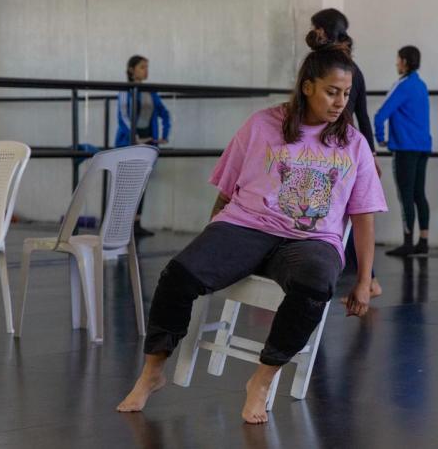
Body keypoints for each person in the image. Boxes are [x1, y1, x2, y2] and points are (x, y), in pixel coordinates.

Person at [116, 44, 387, 424]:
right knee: (178, 274)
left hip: (311, 241)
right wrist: (211, 241)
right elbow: (226, 191)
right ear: (307, 86)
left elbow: (363, 216)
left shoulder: (353, 145)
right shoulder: (262, 124)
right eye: (332, 91)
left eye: (347, 93)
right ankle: (152, 372)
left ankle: (261, 379)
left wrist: (363, 280)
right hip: (245, 225)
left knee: (315, 284)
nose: (341, 102)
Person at [307, 8, 383, 297]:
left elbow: (361, 115)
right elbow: (364, 115)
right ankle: (369, 278)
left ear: (323, 31)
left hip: (335, 148)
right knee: (346, 215)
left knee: (340, 214)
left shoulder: (336, 69)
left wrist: (369, 156)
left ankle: (368, 278)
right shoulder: (346, 67)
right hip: (335, 147)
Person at [374, 45, 431, 256]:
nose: (396, 63)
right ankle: (423, 241)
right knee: (419, 194)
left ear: (405, 62)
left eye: (398, 60)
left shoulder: (403, 85)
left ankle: (408, 242)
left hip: (405, 149)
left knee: (406, 195)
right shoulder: (421, 85)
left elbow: (380, 115)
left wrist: (380, 139)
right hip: (423, 147)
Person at [115, 55, 171, 237]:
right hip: (130, 141)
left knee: (141, 182)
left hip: (148, 141)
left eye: (147, 67)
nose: (145, 71)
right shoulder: (126, 90)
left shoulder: (150, 91)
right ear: (131, 70)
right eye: (141, 67)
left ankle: (136, 224)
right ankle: (121, 224)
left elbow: (164, 112)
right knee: (126, 183)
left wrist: (164, 135)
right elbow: (123, 116)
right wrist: (135, 137)